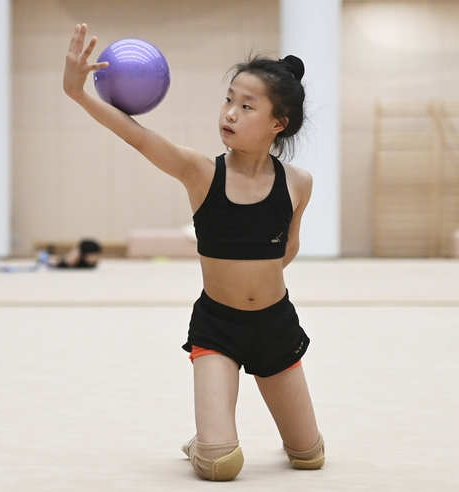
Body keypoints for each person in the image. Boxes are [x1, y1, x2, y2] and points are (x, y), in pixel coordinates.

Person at [64, 24, 322, 481]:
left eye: (247, 106)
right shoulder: (201, 172)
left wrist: (255, 282)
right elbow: (138, 137)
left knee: (309, 457)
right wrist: (79, 93)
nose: (230, 113)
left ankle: (243, 433)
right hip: (219, 328)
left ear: (278, 124)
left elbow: (288, 249)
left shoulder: (298, 183)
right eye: (228, 100)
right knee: (221, 464)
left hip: (276, 326)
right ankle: (203, 441)